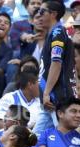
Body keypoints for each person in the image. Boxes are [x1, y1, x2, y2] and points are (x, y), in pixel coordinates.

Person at [33, 0, 78, 135]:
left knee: (69, 138)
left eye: (42, 11)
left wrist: (47, 92)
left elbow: (56, 63)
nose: (38, 15)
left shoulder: (57, 33)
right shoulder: (53, 34)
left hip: (57, 98)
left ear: (53, 14)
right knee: (34, 141)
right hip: (50, 101)